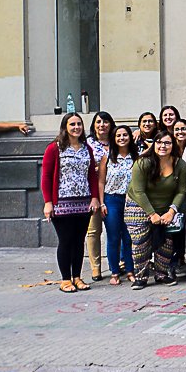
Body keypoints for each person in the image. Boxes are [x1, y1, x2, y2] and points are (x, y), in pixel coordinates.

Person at [42, 113, 100, 293]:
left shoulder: (86, 148)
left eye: (79, 124)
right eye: (72, 124)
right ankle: (65, 280)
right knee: (66, 240)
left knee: (79, 241)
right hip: (61, 203)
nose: (76, 127)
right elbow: (46, 176)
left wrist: (94, 197)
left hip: (83, 203)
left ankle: (77, 277)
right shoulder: (54, 148)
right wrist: (48, 202)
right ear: (65, 127)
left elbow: (92, 175)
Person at [125, 131, 186, 289]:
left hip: (166, 207)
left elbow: (181, 191)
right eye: (159, 142)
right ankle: (141, 277)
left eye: (167, 143)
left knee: (166, 241)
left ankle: (161, 274)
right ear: (154, 144)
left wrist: (171, 211)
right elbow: (139, 191)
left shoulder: (180, 164)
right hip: (138, 204)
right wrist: (152, 214)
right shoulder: (142, 163)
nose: (163, 146)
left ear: (173, 145)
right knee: (140, 241)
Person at [98, 125, 136, 285]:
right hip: (112, 199)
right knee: (114, 237)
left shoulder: (136, 156)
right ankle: (114, 272)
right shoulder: (107, 156)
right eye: (118, 135)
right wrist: (101, 203)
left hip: (131, 201)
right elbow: (101, 181)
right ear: (114, 138)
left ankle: (130, 270)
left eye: (125, 135)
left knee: (129, 238)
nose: (122, 138)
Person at [85, 111, 114, 281]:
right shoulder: (88, 143)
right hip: (93, 192)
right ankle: (95, 268)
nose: (102, 125)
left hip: (113, 191)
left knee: (115, 229)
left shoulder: (116, 141)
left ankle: (117, 264)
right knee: (93, 231)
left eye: (105, 121)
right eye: (98, 122)